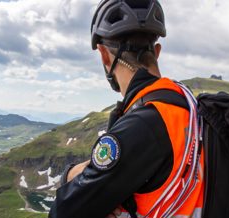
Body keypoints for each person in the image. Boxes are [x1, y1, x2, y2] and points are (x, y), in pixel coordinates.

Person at [49, 0, 204, 217]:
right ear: (157, 52)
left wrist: (68, 175)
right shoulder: (189, 107)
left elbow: (63, 212)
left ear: (104, 55)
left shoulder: (144, 124)